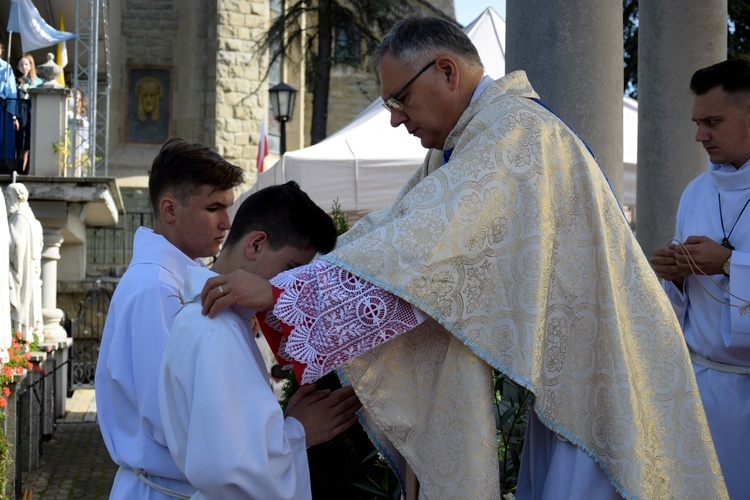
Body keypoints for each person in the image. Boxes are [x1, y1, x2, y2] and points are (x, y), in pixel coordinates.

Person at [201, 16, 728, 499]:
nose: (395, 119)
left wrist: (283, 293)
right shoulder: (468, 144)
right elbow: (395, 234)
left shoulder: (515, 136)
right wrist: (301, 288)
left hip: (602, 378)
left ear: (447, 71)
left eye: (399, 100)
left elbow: (424, 253)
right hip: (571, 377)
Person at [158, 181, 361, 498]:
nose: (292, 287)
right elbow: (226, 469)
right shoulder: (215, 328)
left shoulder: (216, 320)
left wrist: (283, 424)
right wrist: (297, 432)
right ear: (255, 245)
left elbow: (228, 440)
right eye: (292, 269)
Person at [94, 137, 247, 499]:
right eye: (214, 208)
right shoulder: (155, 288)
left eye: (228, 207)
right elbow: (173, 420)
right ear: (169, 209)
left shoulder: (181, 276)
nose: (227, 222)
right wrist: (285, 436)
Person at [650, 57, 750, 499]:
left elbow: (722, 264)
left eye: (712, 121)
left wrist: (728, 262)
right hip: (702, 386)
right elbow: (681, 303)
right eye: (696, 122)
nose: (699, 136)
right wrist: (673, 275)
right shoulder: (696, 191)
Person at [6, 182, 44, 342]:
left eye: (8, 196)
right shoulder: (32, 218)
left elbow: (16, 244)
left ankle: (18, 338)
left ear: (17, 197)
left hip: (21, 273)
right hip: (30, 271)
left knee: (19, 305)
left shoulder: (19, 217)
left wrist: (15, 268)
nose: (7, 200)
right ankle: (23, 337)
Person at [15, 53, 42, 175]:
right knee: (19, 143)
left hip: (32, 115)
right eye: (21, 64)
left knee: (28, 144)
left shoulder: (39, 82)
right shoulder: (15, 81)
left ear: (31, 66)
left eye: (26, 64)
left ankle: (25, 170)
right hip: (20, 114)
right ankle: (18, 169)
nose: (23, 67)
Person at [0, 43, 18, 170]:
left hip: (1, 106)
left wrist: (13, 115)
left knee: (3, 138)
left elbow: (12, 92)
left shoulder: (6, 67)